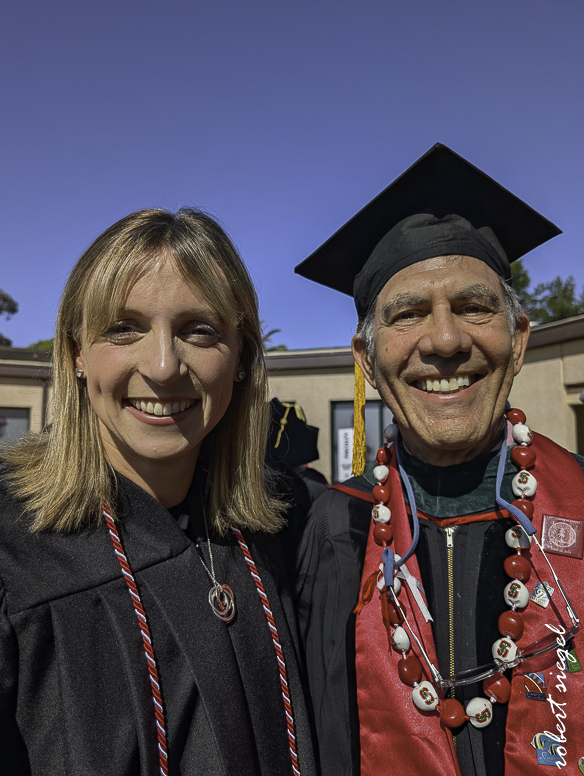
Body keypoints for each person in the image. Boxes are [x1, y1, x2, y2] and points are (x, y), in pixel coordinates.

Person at [294, 144, 584, 775]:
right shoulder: (335, 529)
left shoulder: (580, 503)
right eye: (409, 314)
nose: (446, 340)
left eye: (474, 308)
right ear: (368, 361)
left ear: (518, 340)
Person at [0, 208, 316, 776]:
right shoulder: (12, 550)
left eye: (200, 330)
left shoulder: (285, 525)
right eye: (124, 328)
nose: (164, 366)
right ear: (76, 353)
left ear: (241, 357)